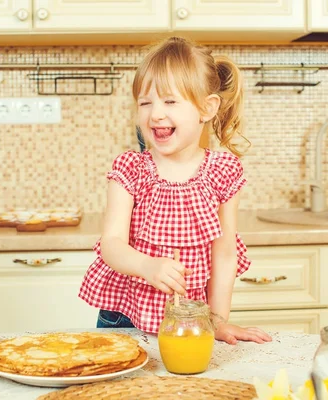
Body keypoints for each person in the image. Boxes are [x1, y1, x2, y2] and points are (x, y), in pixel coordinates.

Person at [78, 36, 272, 345]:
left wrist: (218, 321)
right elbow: (111, 244)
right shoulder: (130, 169)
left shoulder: (223, 172)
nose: (154, 114)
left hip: (192, 319)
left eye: (169, 101)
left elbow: (224, 254)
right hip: (125, 318)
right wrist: (146, 265)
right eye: (145, 103)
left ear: (206, 108)